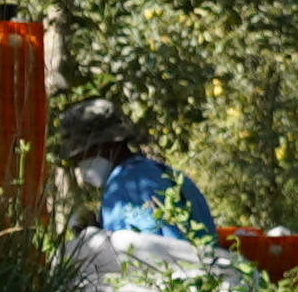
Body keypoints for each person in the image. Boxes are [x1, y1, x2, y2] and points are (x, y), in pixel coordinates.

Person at [54, 98, 220, 241]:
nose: (81, 163)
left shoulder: (123, 187)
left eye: (83, 155)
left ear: (110, 144)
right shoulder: (165, 173)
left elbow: (136, 261)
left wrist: (93, 240)